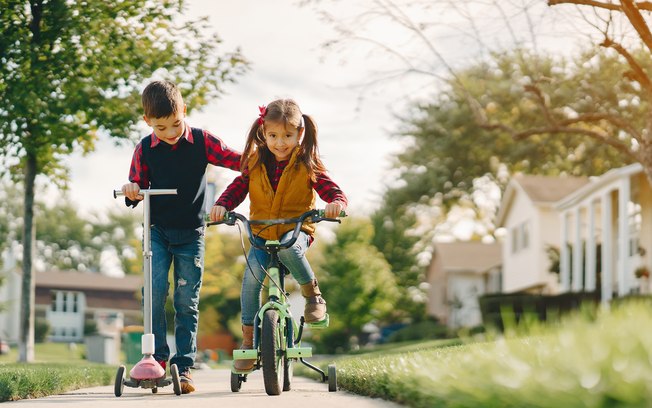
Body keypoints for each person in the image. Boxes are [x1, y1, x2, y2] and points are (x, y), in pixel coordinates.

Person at [121, 80, 241, 393]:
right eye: (161, 128)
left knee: (186, 301)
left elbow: (237, 161)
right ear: (148, 122)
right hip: (157, 232)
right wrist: (133, 189)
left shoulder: (202, 141)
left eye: (176, 124)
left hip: (191, 233)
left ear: (184, 111)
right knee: (155, 295)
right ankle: (156, 360)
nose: (171, 133)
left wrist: (267, 158)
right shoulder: (145, 149)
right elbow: (136, 188)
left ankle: (184, 366)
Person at [210, 98, 347, 371]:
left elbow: (331, 189)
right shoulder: (255, 161)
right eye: (273, 135)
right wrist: (222, 205)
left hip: (296, 231)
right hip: (261, 234)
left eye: (287, 135)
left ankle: (313, 297)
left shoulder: (308, 162)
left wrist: (337, 204)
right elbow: (239, 187)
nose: (280, 142)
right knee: (250, 280)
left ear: (299, 134)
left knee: (288, 247)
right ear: (264, 133)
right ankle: (248, 342)